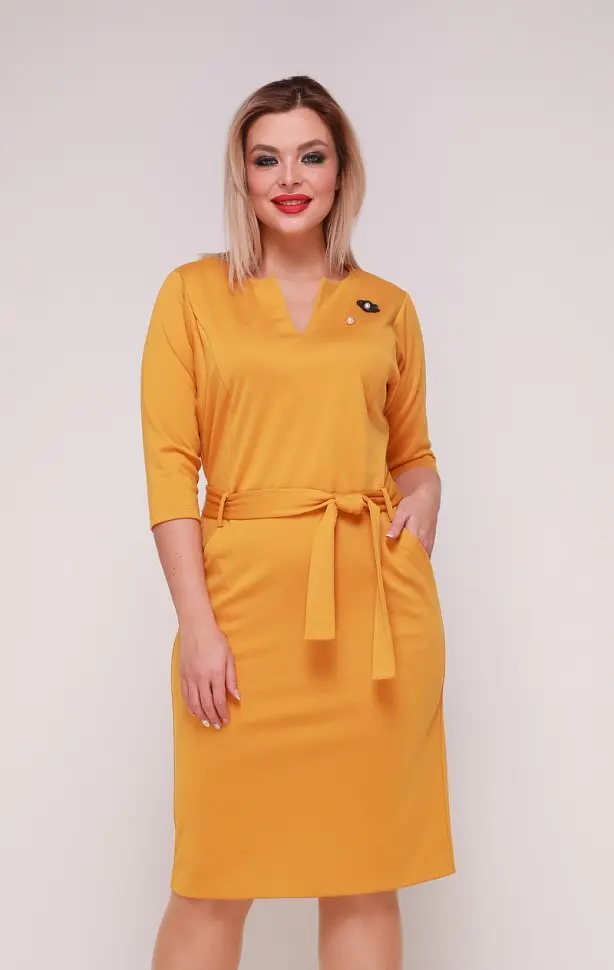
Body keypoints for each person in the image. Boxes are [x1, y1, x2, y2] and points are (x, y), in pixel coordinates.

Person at [140, 74, 455, 970]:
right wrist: (197, 627)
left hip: (374, 621)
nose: (289, 178)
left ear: (340, 170)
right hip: (240, 612)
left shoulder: (387, 305)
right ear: (241, 175)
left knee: (364, 872)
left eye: (310, 156)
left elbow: (414, 454)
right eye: (266, 158)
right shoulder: (192, 295)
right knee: (212, 875)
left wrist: (426, 497)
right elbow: (169, 467)